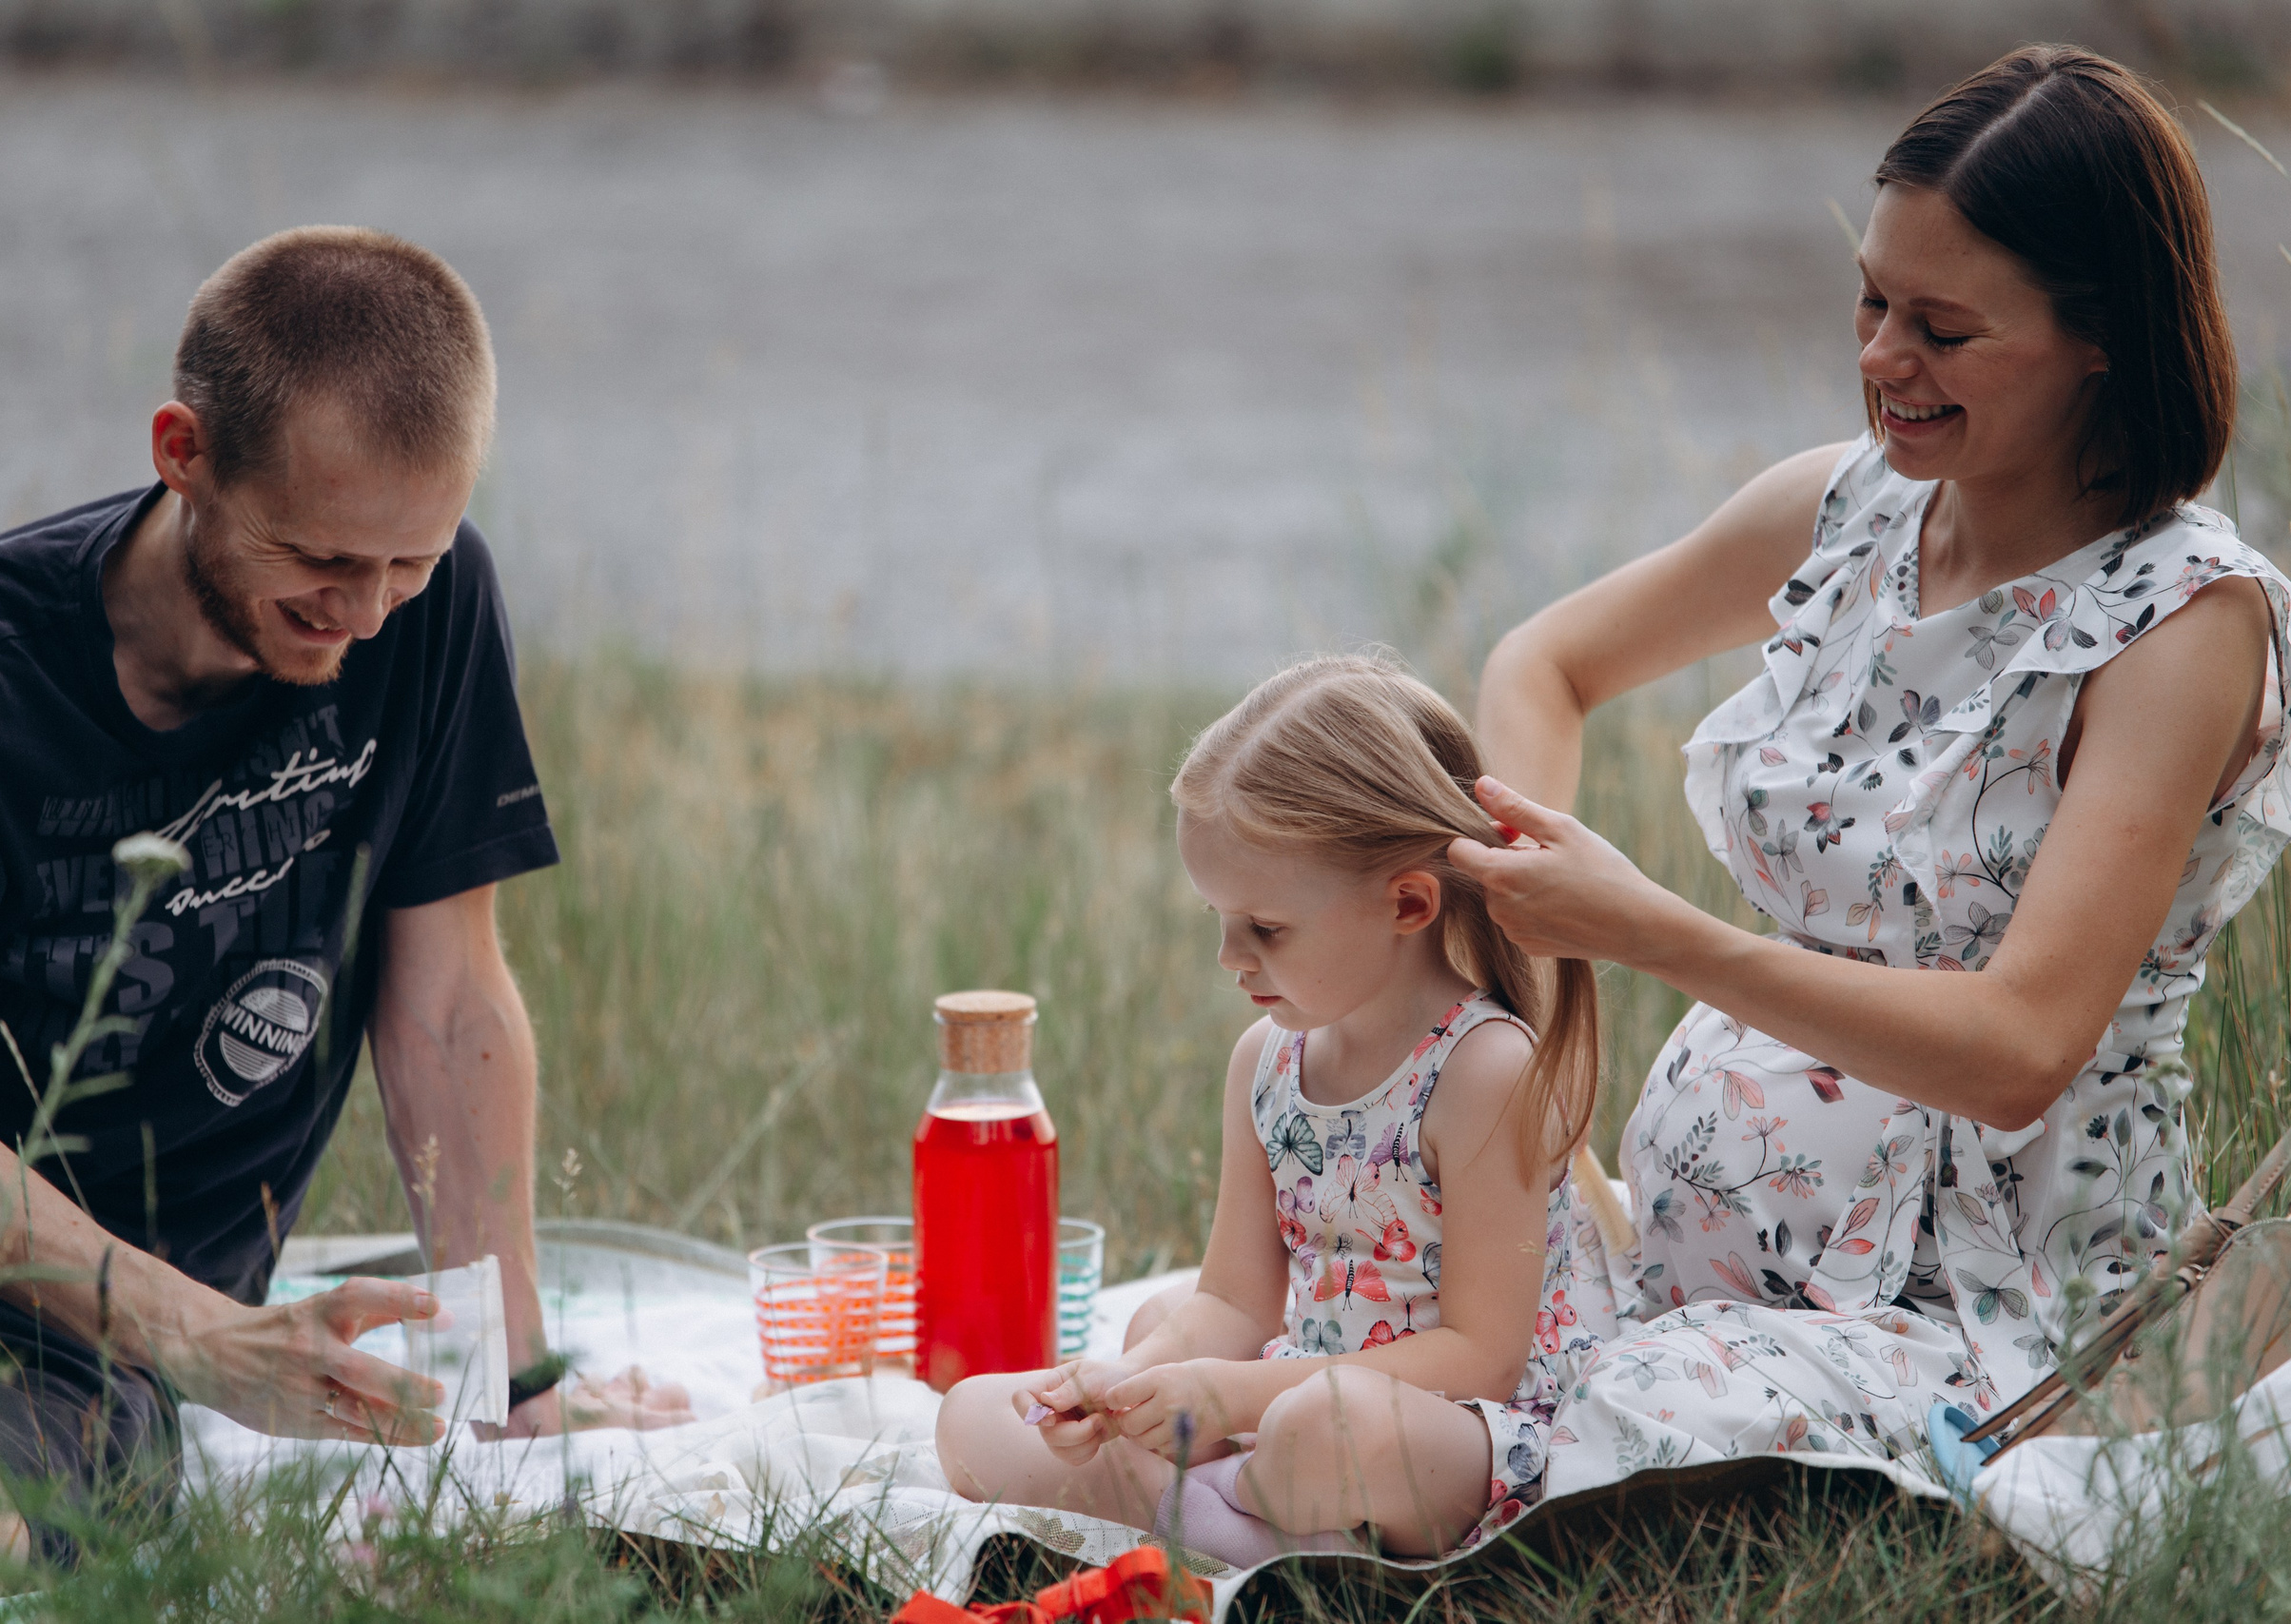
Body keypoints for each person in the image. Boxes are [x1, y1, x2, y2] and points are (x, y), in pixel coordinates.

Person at [1453, 47, 2290, 1497]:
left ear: (2103, 335)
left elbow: (2021, 1048)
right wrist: (1529, 1052)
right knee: (1376, 1310)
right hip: (1697, 1264)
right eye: (1871, 298)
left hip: (1979, 1311)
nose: (1882, 357)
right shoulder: (1843, 506)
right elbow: (1543, 661)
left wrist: (1653, 930)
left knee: (1572, 1423)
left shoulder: (2182, 622)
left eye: (1946, 330)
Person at [0, 226, 690, 1577]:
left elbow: (450, 1004)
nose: (363, 615)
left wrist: (515, 1368)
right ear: (181, 450)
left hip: (107, 1352)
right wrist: (200, 1335)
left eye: (406, 562)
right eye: (318, 556)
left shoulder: (434, 601)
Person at [934, 655, 1605, 1561]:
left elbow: (1482, 1353)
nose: (1229, 956)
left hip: (1465, 1432)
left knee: (1323, 1432)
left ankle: (1198, 1511)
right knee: (977, 1411)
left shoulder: (1484, 1068)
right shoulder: (1267, 1061)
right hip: (1294, 1393)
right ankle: (1235, 1516)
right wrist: (1121, 1387)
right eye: (1217, 917)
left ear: (1407, 902)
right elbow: (1232, 1298)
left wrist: (1232, 1396)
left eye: (1265, 928)